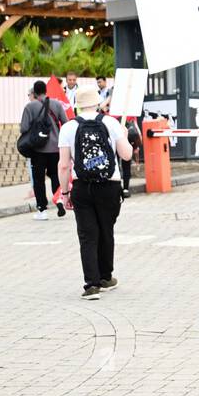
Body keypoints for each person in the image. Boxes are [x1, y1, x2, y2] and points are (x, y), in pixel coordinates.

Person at [58, 82, 132, 300]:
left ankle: (91, 285)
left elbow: (63, 165)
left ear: (77, 105)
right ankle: (106, 277)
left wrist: (64, 193)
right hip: (110, 186)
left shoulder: (68, 128)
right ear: (98, 102)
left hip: (82, 187)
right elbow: (126, 155)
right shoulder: (111, 123)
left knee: (87, 235)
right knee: (106, 230)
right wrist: (124, 136)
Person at [21, 80, 68, 221]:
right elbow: (65, 123)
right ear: (46, 90)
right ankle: (59, 201)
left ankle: (42, 210)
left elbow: (23, 128)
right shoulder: (57, 104)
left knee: (39, 180)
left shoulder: (30, 107)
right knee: (55, 176)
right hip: (55, 148)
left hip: (38, 149)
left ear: (34, 92)